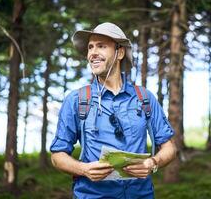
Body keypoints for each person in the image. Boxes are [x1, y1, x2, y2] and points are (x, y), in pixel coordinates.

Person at [50, 22, 177, 199]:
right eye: (90, 47)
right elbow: (57, 155)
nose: (92, 53)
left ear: (120, 52)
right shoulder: (77, 100)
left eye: (101, 46)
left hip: (140, 195)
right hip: (92, 195)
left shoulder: (144, 98)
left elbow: (169, 147)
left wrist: (152, 162)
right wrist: (84, 169)